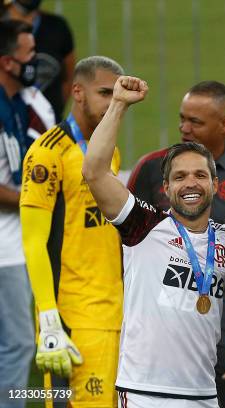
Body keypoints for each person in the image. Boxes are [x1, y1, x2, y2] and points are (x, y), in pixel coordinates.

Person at [82, 75, 225, 408]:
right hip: (144, 393)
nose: (191, 183)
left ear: (215, 184)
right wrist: (118, 104)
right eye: (180, 176)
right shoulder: (143, 226)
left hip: (204, 395)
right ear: (167, 188)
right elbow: (95, 172)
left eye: (200, 175)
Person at [127, 80, 225, 406]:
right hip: (158, 320)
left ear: (224, 123)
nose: (184, 128)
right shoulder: (151, 168)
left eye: (196, 122)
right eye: (182, 118)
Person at [20, 56, 124, 407]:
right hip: (73, 320)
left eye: (118, 95)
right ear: (78, 92)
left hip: (115, 314)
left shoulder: (109, 152)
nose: (113, 103)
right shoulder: (48, 154)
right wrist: (48, 317)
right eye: (105, 93)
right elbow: (33, 241)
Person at [0, 19, 51, 408]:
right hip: (5, 250)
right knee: (18, 344)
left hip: (15, 243)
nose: (35, 60)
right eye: (27, 54)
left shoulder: (18, 103)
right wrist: (39, 199)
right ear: (6, 61)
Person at [4, 0, 76, 123]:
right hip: (8, 125)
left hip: (47, 126)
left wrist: (49, 111)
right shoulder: (3, 27)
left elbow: (69, 77)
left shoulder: (58, 27)